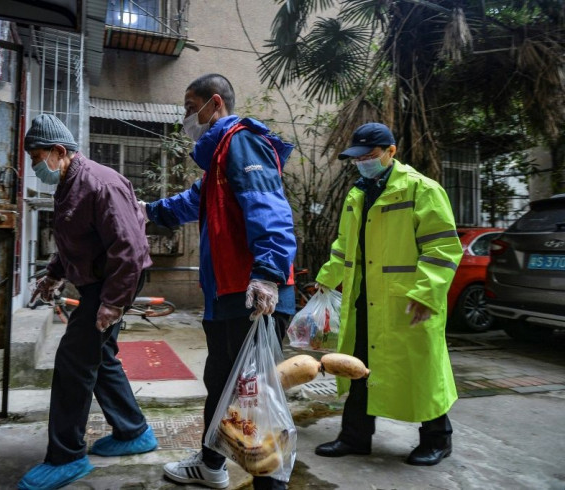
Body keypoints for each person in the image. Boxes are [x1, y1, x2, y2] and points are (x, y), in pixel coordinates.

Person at [142, 74, 297, 490]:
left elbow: (269, 206)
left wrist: (267, 272)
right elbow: (190, 202)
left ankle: (270, 483)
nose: (186, 117)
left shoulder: (242, 142)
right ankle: (211, 464)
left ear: (215, 104)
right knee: (224, 384)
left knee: (252, 396)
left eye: (190, 107)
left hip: (252, 292)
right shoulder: (219, 158)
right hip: (229, 294)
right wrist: (145, 211)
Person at [18, 114, 158, 490]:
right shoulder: (67, 183)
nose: (35, 167)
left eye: (37, 159)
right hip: (100, 280)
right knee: (99, 357)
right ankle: (133, 432)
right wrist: (52, 274)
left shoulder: (99, 183)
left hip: (114, 280)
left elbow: (129, 249)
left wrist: (112, 303)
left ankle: (67, 457)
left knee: (73, 361)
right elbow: (72, 240)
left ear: (59, 152)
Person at [312, 122, 463, 466]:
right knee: (359, 367)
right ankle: (354, 437)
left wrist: (426, 293)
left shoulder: (422, 189)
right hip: (364, 299)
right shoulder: (358, 194)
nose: (363, 161)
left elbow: (441, 248)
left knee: (421, 371)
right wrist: (326, 278)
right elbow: (343, 247)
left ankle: (438, 440)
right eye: (358, 157)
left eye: (370, 155)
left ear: (391, 152)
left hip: (407, 301)